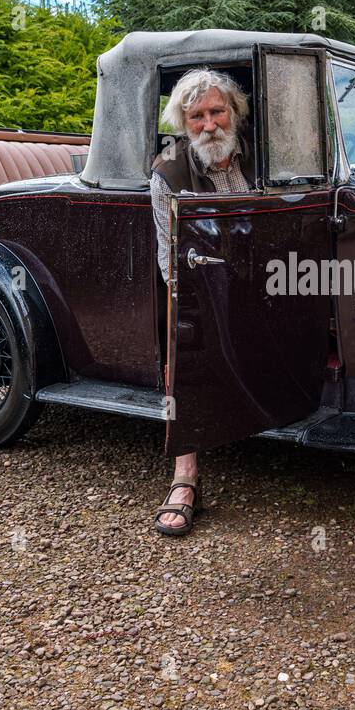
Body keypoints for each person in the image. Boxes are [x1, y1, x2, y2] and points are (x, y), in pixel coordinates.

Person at [148, 68, 253, 536]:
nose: (210, 125)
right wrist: (198, 309)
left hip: (261, 279)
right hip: (199, 286)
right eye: (197, 116)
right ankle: (184, 477)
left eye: (217, 111)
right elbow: (169, 257)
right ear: (183, 122)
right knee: (180, 340)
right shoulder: (167, 173)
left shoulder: (261, 156)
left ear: (233, 112)